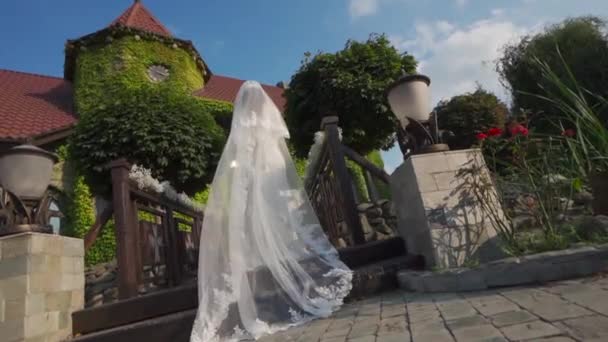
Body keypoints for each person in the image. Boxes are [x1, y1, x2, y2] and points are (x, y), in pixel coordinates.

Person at [190, 81, 352, 342]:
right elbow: (278, 152)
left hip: (258, 174)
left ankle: (262, 253)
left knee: (257, 214)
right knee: (275, 215)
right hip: (271, 171)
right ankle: (277, 249)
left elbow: (243, 157)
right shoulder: (268, 121)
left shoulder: (244, 124)